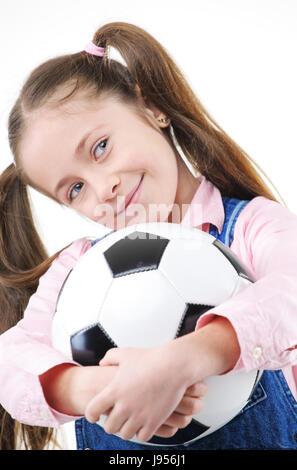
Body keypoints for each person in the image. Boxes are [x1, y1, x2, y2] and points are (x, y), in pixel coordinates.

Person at [0, 21, 297, 451]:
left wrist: (183, 361)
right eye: (76, 189)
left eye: (100, 147)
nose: (104, 189)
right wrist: (93, 387)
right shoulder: (75, 272)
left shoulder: (252, 227)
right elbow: (10, 360)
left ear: (152, 108)